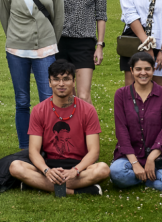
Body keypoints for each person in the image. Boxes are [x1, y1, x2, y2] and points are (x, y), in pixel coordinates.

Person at [0, 0, 66, 149]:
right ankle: (25, 148)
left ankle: (50, 146)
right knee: (22, 102)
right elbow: (4, 17)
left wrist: (50, 41)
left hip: (46, 50)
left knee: (49, 101)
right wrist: (16, 37)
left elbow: (59, 17)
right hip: (17, 50)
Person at [9, 59, 109, 195]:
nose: (61, 84)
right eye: (56, 79)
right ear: (49, 82)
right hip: (50, 165)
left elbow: (94, 151)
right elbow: (33, 151)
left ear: (73, 82)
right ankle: (74, 192)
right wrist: (46, 171)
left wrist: (76, 170)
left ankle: (37, 185)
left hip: (78, 167)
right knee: (16, 167)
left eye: (66, 79)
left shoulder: (88, 110)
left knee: (103, 169)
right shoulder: (39, 110)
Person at [109, 53, 162, 192]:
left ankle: (140, 179)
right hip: (129, 156)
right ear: (131, 71)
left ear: (153, 70)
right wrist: (135, 163)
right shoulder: (121, 94)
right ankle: (148, 176)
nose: (143, 73)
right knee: (116, 173)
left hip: (157, 155)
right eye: (138, 69)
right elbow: (121, 131)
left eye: (147, 69)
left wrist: (151, 159)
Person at [56, 0, 107, 105]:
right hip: (60, 42)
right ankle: (69, 132)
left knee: (83, 96)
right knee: (66, 96)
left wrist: (99, 45)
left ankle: (89, 132)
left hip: (84, 43)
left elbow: (101, 15)